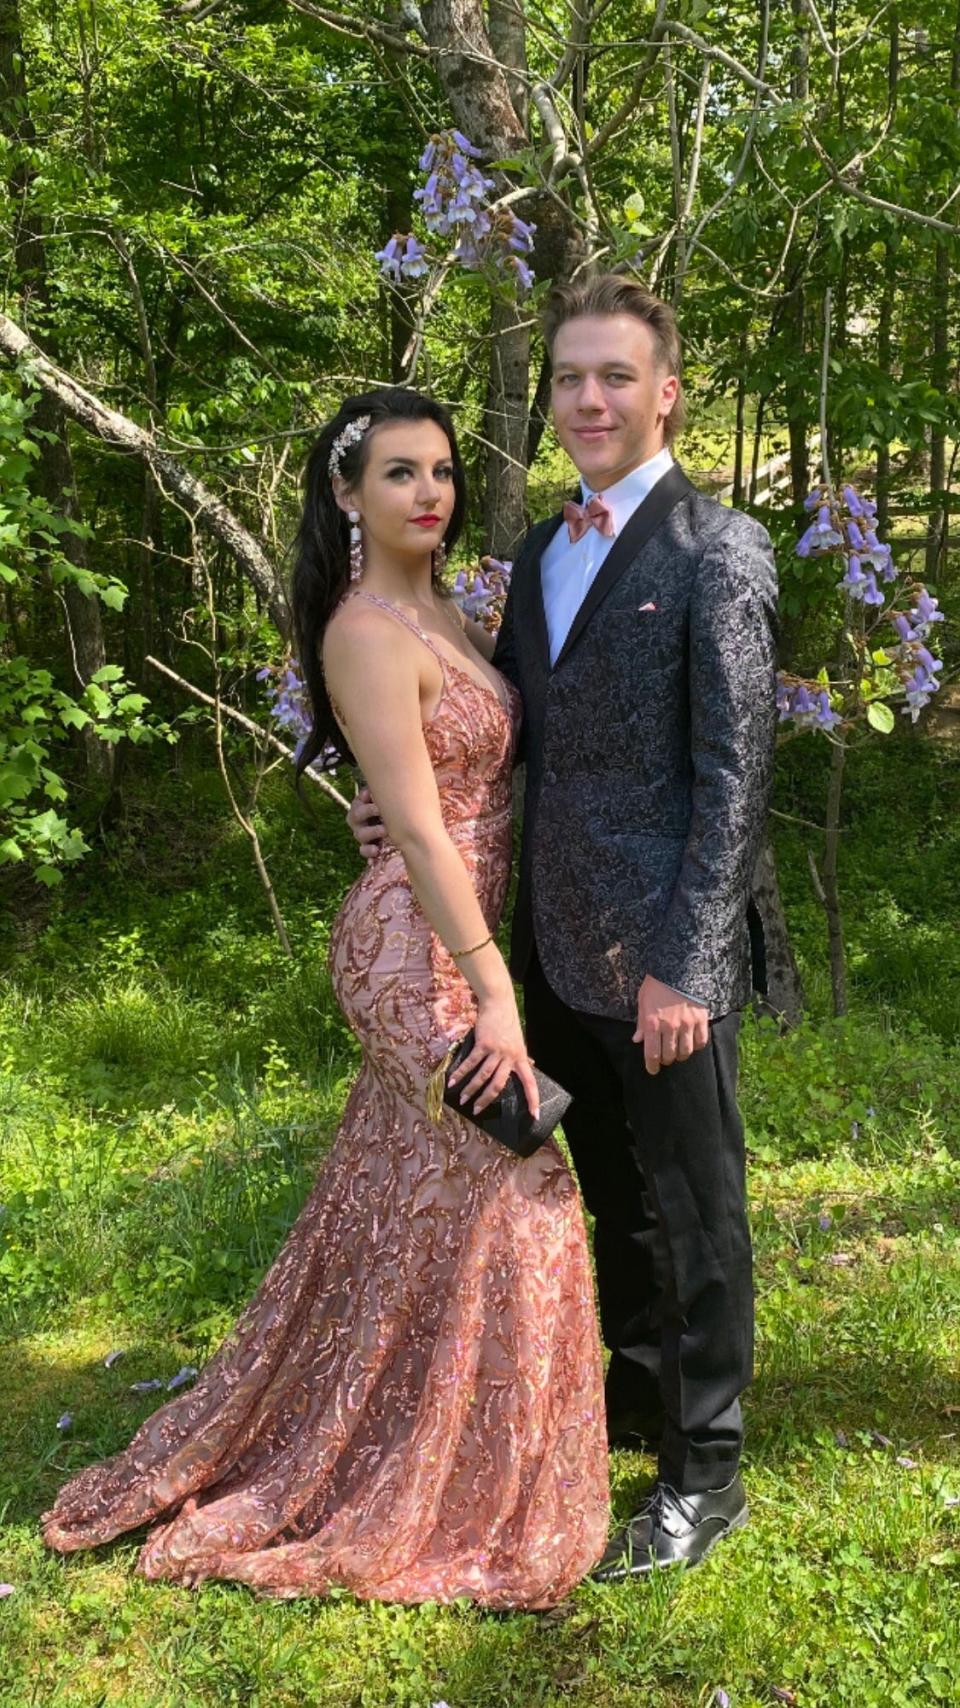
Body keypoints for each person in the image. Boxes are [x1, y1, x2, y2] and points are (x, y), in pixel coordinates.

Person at [41, 388, 609, 1609]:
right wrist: (494, 992)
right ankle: (451, 1483)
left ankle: (400, 1440)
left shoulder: (454, 608)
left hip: (456, 936)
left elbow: (449, 776)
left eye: (444, 470)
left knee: (406, 1198)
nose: (430, 493)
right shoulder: (364, 627)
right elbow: (411, 818)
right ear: (348, 495)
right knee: (527, 1181)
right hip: (417, 957)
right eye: (400, 473)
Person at [350, 277, 779, 1577]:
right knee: (615, 1207)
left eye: (614, 376)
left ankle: (706, 1474)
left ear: (666, 393)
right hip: (545, 949)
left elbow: (733, 780)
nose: (588, 399)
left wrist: (685, 969)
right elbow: (512, 724)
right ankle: (640, 1403)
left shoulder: (722, 551)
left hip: (660, 962)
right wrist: (398, 809)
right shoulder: (544, 549)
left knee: (696, 1210)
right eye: (570, 379)